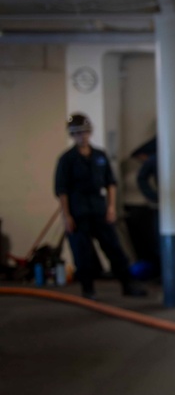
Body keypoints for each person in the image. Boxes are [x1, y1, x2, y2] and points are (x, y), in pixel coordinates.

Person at [54, 113, 147, 299]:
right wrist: (67, 217)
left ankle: (128, 286)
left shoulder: (100, 156)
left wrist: (111, 207)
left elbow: (110, 183)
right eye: (78, 133)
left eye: (86, 132)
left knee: (115, 249)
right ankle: (88, 291)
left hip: (99, 209)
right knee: (83, 255)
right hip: (78, 212)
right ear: (72, 135)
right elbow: (62, 190)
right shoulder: (66, 159)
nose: (83, 136)